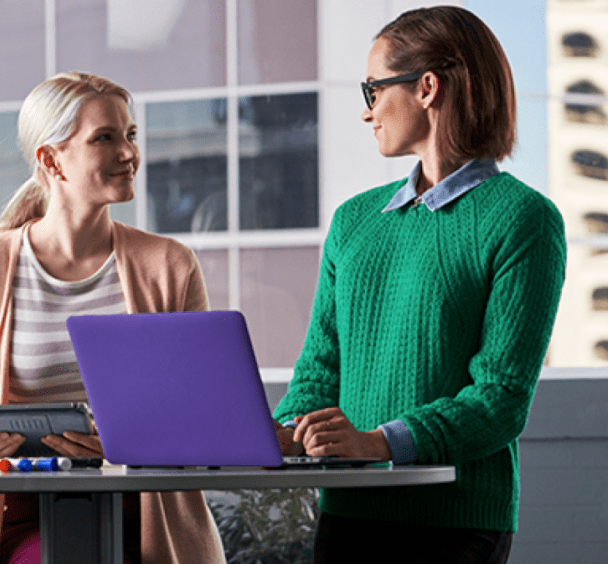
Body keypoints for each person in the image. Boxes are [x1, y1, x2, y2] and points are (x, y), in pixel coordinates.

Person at [273, 6, 566, 564]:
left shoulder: (523, 219)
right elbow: (319, 370)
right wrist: (286, 432)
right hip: (348, 517)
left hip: (454, 524)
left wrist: (378, 443)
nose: (368, 112)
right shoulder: (354, 222)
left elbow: (500, 399)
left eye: (374, 89)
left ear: (427, 87)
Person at [0, 72, 225, 564]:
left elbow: (204, 417)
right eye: (105, 137)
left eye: (130, 134)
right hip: (20, 508)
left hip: (144, 507)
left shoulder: (169, 264)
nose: (128, 153)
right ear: (50, 159)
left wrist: (129, 441)